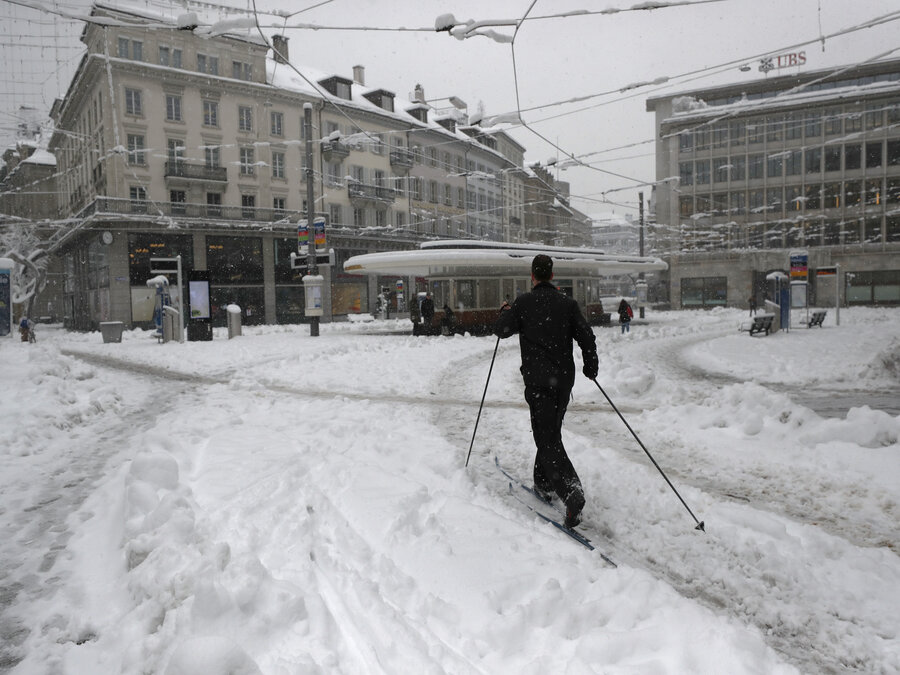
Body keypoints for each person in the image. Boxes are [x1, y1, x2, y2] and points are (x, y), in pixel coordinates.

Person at [494, 254, 599, 528]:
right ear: (552, 276)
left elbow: (501, 330)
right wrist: (591, 366)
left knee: (547, 438)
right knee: (550, 432)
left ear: (533, 276)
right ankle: (543, 483)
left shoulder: (524, 304)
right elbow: (586, 335)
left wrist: (506, 313)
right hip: (563, 383)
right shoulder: (567, 303)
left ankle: (570, 491)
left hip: (539, 383)